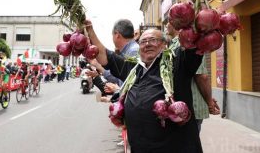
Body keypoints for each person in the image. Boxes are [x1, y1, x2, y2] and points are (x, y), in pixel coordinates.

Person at [85, 20, 203, 153]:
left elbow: (194, 43)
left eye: (153, 40)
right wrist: (89, 29)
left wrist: (191, 18)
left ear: (164, 45)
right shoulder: (133, 68)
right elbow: (104, 56)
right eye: (143, 42)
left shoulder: (177, 63)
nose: (147, 44)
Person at [166, 23, 220, 133]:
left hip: (189, 106)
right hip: (187, 107)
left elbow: (201, 76)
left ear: (177, 25)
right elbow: (201, 76)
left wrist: (209, 101)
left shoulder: (186, 44)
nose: (166, 25)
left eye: (169, 21)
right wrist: (209, 100)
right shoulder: (182, 44)